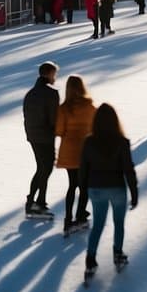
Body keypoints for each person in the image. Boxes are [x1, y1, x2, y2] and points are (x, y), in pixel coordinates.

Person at [80, 103, 138, 280]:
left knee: (97, 225)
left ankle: (90, 260)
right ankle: (118, 253)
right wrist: (134, 192)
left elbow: (83, 169)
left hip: (96, 189)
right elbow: (128, 169)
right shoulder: (122, 142)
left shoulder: (89, 142)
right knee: (118, 223)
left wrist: (83, 190)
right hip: (117, 188)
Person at [56, 74, 96, 234]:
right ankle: (80, 216)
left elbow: (59, 130)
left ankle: (67, 220)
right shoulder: (91, 107)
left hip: (68, 150)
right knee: (85, 186)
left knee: (72, 185)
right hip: (85, 151)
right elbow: (96, 129)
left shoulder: (64, 108)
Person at [22, 61, 60, 219]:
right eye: (55, 74)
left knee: (42, 168)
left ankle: (34, 201)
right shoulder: (51, 93)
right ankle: (36, 203)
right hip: (45, 136)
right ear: (50, 74)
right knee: (45, 168)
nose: (55, 78)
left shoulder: (30, 93)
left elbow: (26, 114)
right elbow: (54, 118)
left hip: (33, 135)